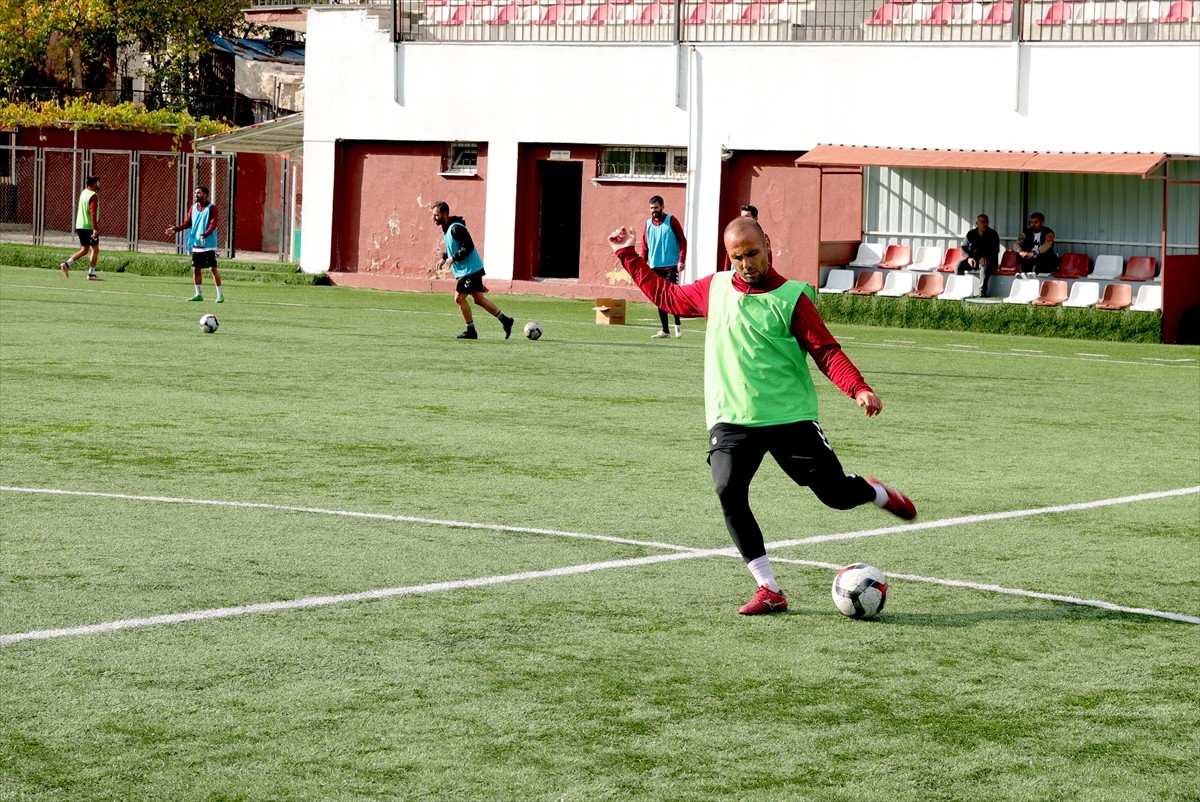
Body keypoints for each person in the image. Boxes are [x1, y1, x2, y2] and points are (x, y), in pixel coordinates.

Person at [607, 216, 917, 616]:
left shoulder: (792, 297)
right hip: (732, 417)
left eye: (752, 253)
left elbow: (826, 351)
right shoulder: (715, 288)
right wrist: (627, 254)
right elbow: (668, 297)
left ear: (768, 245)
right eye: (737, 257)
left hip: (790, 418)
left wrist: (858, 387)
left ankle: (874, 491)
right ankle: (768, 588)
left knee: (836, 497)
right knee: (728, 490)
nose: (746, 264)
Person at [432, 201, 514, 340]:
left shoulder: (455, 228)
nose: (433, 218)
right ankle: (505, 320)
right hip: (470, 270)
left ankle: (471, 331)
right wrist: (444, 257)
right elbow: (455, 245)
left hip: (470, 270)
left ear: (444, 214)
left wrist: (453, 258)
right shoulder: (447, 228)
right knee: (478, 299)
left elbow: (468, 247)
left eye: (436, 215)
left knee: (458, 298)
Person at [166, 186, 225, 303]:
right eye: (195, 193)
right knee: (195, 269)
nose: (196, 195)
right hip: (196, 244)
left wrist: (205, 234)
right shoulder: (193, 208)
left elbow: (213, 224)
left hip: (208, 244)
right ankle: (198, 294)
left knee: (213, 269)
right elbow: (188, 223)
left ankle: (220, 295)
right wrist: (176, 229)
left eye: (199, 193)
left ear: (206, 195)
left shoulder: (212, 208)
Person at [641, 195, 687, 339]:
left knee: (671, 296)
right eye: (651, 208)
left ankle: (677, 323)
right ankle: (665, 330)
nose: (653, 210)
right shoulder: (648, 224)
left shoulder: (671, 220)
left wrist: (681, 260)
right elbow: (644, 246)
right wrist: (643, 265)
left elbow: (682, 240)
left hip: (671, 266)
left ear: (662, 207)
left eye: (656, 207)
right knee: (659, 298)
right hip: (655, 267)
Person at [60, 176, 102, 280]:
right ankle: (91, 274)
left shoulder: (84, 192)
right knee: (95, 249)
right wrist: (95, 228)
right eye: (98, 182)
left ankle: (67, 264)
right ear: (94, 184)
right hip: (88, 227)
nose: (99, 184)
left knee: (85, 249)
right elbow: (92, 213)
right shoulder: (93, 195)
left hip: (80, 225)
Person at [955, 213, 1001, 296]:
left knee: (984, 265)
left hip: (989, 261)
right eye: (983, 222)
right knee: (959, 265)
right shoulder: (971, 234)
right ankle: (959, 289)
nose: (985, 224)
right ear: (977, 223)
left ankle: (982, 292)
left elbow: (995, 250)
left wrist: (986, 257)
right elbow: (963, 248)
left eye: (987, 222)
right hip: (973, 260)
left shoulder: (993, 234)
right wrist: (968, 258)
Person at [721, 205, 772, 272]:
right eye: (742, 217)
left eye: (747, 217)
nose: (744, 220)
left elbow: (768, 259)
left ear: (755, 218)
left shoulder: (762, 237)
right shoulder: (733, 237)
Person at [1014, 212, 1058, 278]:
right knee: (1018, 254)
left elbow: (1047, 245)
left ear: (1042, 223)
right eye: (1031, 222)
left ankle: (1033, 273)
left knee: (1041, 256)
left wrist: (1034, 252)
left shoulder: (1048, 232)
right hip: (1030, 257)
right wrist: (1020, 251)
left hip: (1044, 258)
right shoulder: (1027, 232)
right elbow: (1016, 243)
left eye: (1036, 222)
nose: (1033, 224)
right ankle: (1023, 273)